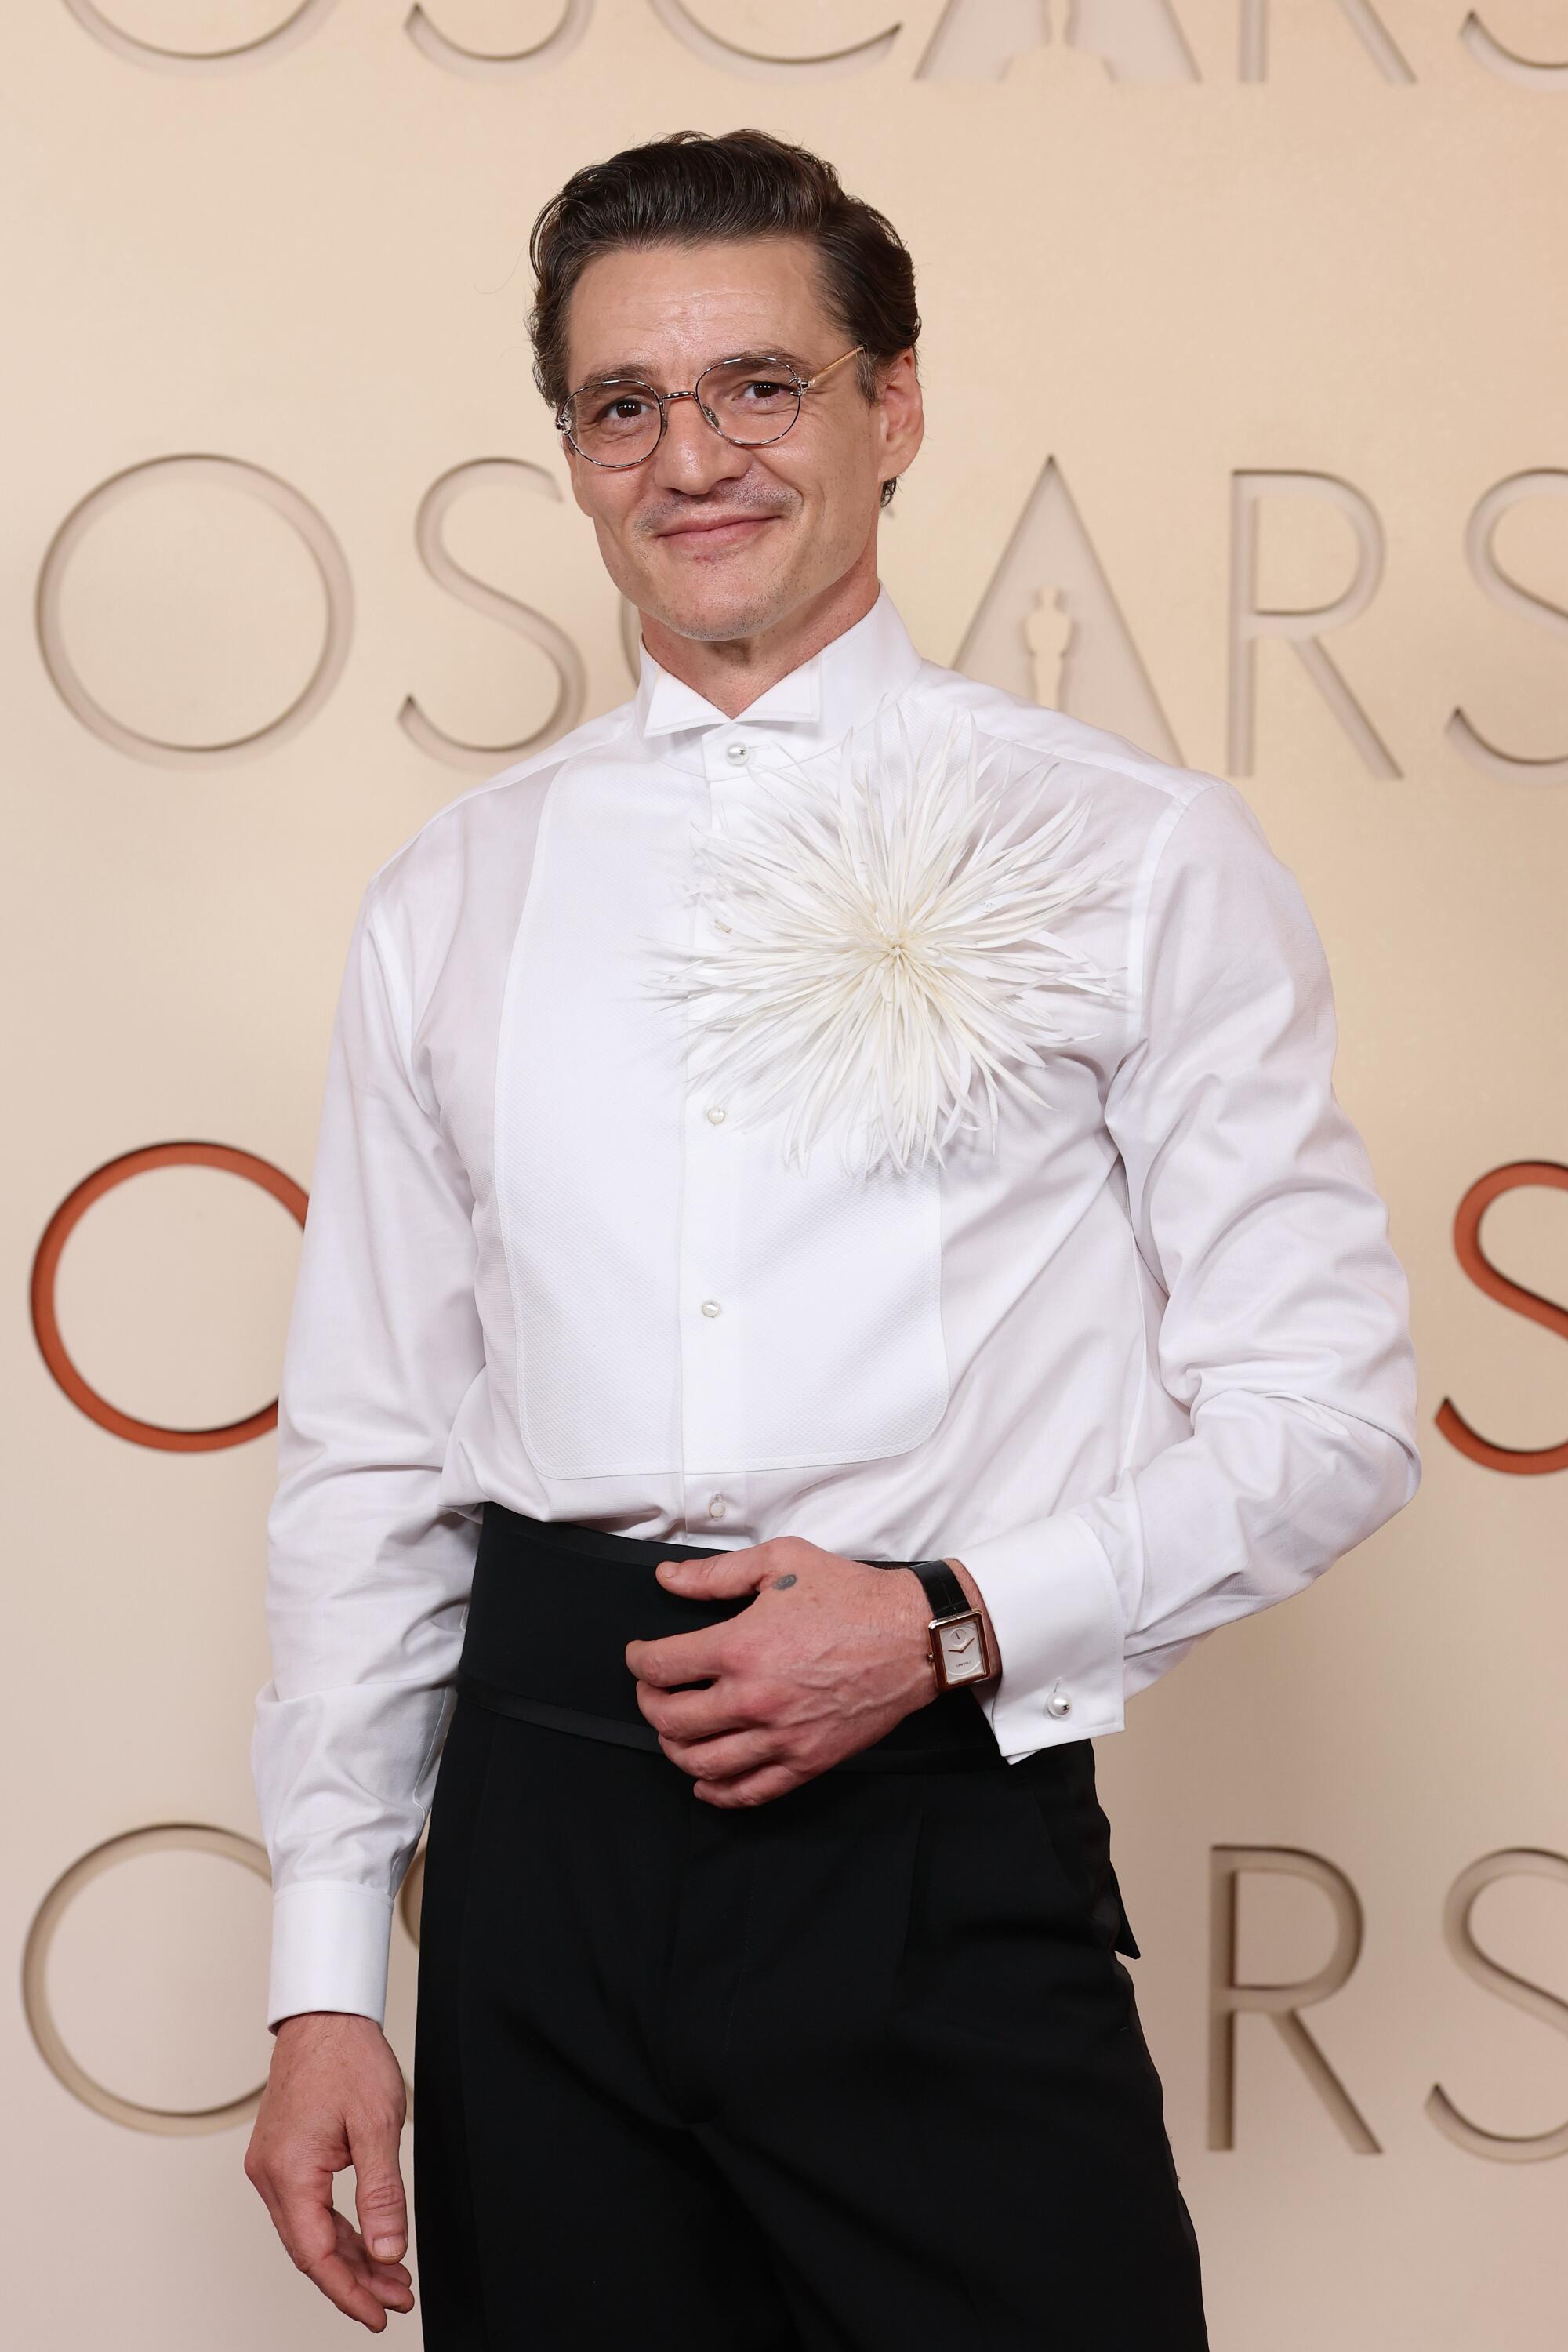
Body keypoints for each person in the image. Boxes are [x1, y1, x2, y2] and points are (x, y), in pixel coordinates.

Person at [242, 127, 1421, 2347]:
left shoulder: (1139, 856)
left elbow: (1331, 1414)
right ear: (576, 454)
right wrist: (324, 1980)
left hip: (933, 1836)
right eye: (626, 405)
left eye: (762, 386)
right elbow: (374, 1456)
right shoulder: (452, 894)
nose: (694, 455)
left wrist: (955, 1623)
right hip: (538, 1851)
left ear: (892, 408)